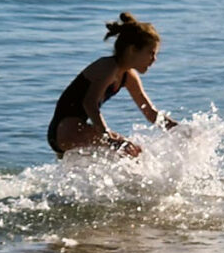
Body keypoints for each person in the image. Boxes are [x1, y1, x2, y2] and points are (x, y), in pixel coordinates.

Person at [47, 13, 177, 159]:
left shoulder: (128, 76)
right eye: (151, 53)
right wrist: (106, 135)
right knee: (128, 150)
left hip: (75, 129)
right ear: (132, 49)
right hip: (66, 129)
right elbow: (89, 103)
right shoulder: (108, 67)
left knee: (134, 151)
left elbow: (150, 113)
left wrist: (177, 129)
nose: (154, 60)